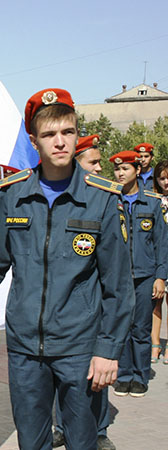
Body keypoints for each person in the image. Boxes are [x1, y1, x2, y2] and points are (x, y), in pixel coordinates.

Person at [0, 88, 135, 450]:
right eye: (49, 135)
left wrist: (108, 350)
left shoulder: (102, 198)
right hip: (25, 349)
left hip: (80, 347)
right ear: (34, 141)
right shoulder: (11, 196)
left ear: (77, 135)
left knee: (82, 441)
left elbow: (119, 285)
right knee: (31, 443)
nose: (60, 142)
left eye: (67, 132)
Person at [52, 133, 114, 450]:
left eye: (100, 162)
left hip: (95, 305)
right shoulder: (58, 200)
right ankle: (63, 425)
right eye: (94, 162)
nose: (100, 168)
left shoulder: (103, 199)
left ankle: (99, 430)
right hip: (64, 312)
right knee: (62, 377)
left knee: (95, 376)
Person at [110, 150, 167, 398]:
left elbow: (161, 243)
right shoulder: (110, 201)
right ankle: (123, 375)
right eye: (117, 169)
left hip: (145, 275)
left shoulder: (152, 203)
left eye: (125, 169)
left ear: (138, 170)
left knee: (141, 328)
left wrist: (160, 276)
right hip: (117, 276)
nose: (120, 174)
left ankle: (140, 375)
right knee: (121, 326)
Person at [151, 160, 168, 364]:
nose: (165, 181)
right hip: (157, 257)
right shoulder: (153, 200)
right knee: (156, 303)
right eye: (162, 178)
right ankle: (155, 344)